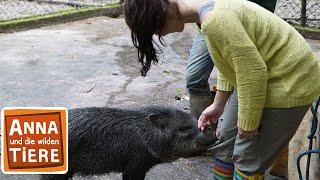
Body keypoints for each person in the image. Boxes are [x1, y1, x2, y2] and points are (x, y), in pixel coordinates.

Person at [123, 0, 320, 179]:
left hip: (290, 79)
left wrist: (249, 122)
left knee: (248, 157)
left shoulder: (216, 20)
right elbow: (230, 62)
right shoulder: (203, 15)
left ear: (161, 16)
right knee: (224, 141)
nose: (161, 35)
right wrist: (218, 105)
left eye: (156, 30)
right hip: (264, 74)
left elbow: (252, 73)